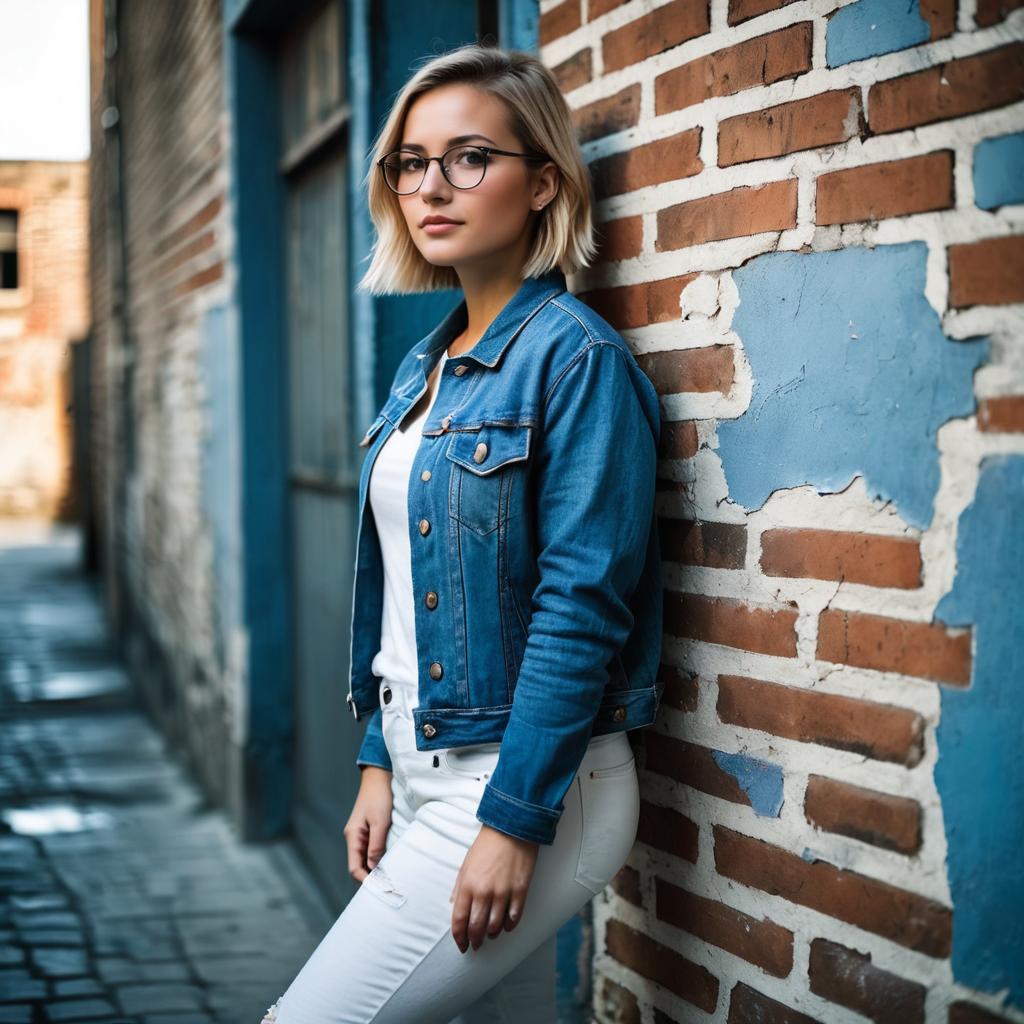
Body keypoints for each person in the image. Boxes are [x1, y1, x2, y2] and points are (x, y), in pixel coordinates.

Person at [263, 42, 662, 1024]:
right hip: (423, 768)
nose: (430, 186)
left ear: (543, 183)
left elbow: (580, 607)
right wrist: (374, 762)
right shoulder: (426, 368)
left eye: (469, 156)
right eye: (410, 161)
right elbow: (409, 591)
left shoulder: (575, 364)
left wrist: (515, 823)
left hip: (532, 787)